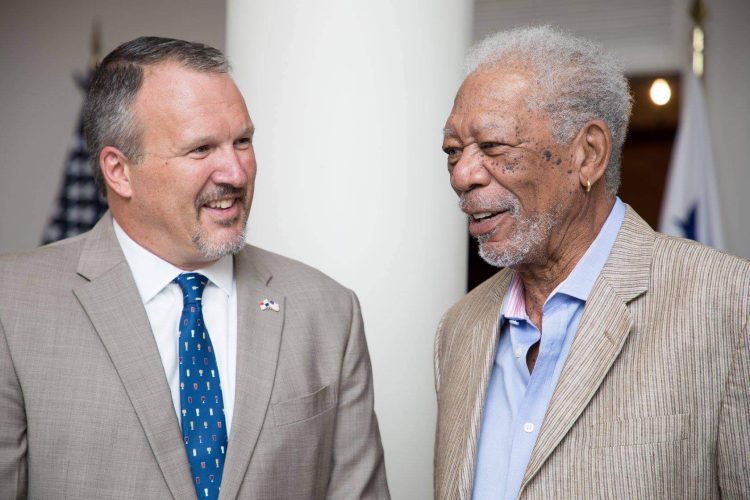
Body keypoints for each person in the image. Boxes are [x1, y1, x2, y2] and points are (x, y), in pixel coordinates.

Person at [0, 36, 389, 500]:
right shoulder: (13, 306)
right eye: (201, 149)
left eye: (242, 141)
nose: (236, 173)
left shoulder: (328, 311)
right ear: (119, 170)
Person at [434, 25, 749, 499]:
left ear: (588, 154)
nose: (463, 175)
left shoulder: (728, 302)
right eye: (454, 152)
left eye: (493, 147)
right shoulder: (458, 330)